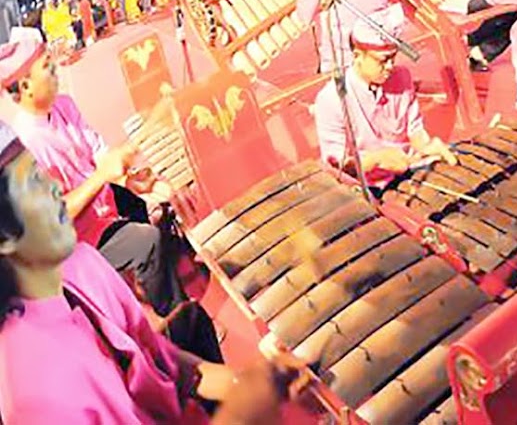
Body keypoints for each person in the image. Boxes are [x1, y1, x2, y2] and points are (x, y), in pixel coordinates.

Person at [0, 129, 310, 423]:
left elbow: (167, 365)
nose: (55, 187)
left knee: (192, 320)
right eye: (33, 183)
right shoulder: (34, 393)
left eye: (42, 172)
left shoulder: (86, 264)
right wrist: (242, 409)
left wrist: (255, 380)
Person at [0, 28, 180, 316]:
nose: (55, 70)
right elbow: (56, 216)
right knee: (147, 242)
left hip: (101, 206)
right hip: (77, 239)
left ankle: (141, 290)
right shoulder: (28, 145)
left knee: (150, 203)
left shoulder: (64, 104)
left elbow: (97, 151)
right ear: (25, 87)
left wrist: (129, 180)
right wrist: (103, 177)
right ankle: (175, 322)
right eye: (47, 67)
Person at [314, 9, 456, 194]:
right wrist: (377, 160)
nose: (390, 67)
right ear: (358, 56)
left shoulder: (402, 76)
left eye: (393, 58)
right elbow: (336, 168)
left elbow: (414, 130)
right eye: (383, 60)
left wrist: (427, 146)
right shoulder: (331, 99)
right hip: (368, 187)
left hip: (409, 172)